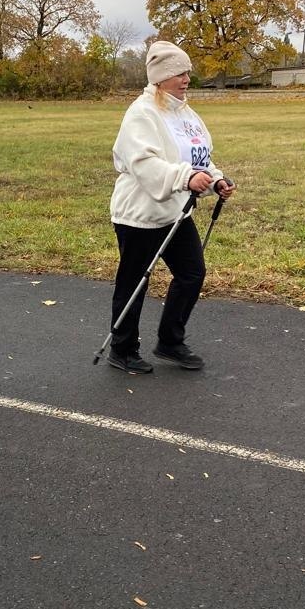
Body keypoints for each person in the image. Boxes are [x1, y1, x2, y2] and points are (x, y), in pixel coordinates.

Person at [107, 40, 236, 374]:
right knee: (134, 282)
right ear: (160, 76)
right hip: (139, 213)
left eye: (187, 72)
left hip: (175, 212)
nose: (186, 78)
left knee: (192, 274)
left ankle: (170, 341)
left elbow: (198, 156)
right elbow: (143, 163)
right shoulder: (142, 112)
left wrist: (215, 178)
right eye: (178, 72)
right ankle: (122, 349)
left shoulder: (186, 113)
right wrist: (185, 178)